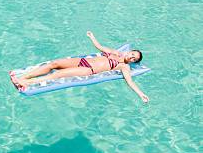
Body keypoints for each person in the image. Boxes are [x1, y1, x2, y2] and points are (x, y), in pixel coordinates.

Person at [10, 32, 149, 103]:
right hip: (82, 61)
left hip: (88, 70)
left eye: (134, 59)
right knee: (54, 64)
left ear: (133, 62)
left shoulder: (124, 66)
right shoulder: (116, 52)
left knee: (56, 75)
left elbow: (130, 81)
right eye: (132, 54)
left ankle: (25, 83)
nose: (131, 57)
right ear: (129, 52)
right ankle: (24, 76)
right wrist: (92, 37)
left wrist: (141, 94)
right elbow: (100, 47)